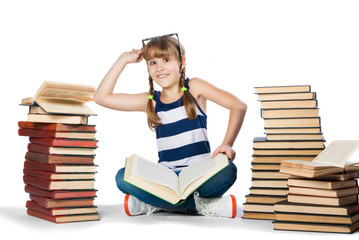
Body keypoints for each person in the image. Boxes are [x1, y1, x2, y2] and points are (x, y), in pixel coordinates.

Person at [94, 34, 247, 218]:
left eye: (166, 60)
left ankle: (156, 204)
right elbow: (101, 98)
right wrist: (123, 60)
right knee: (122, 176)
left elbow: (238, 106)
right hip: (166, 180)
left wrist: (227, 143)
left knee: (228, 170)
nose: (160, 68)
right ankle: (200, 206)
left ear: (182, 62)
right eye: (152, 62)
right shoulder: (151, 101)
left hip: (199, 177)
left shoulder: (194, 88)